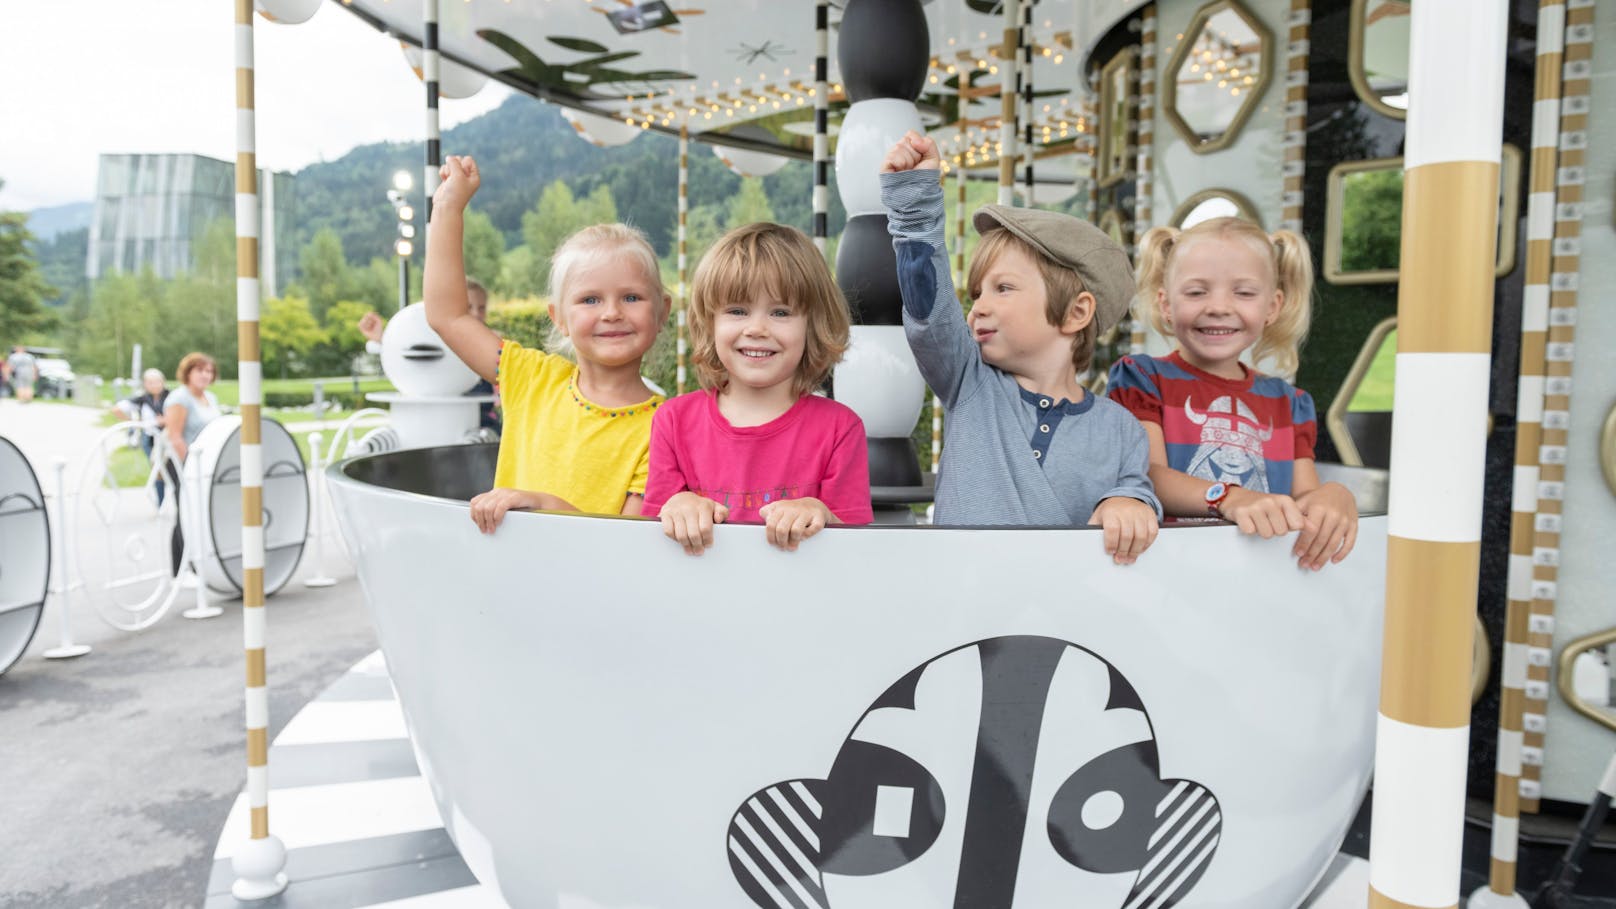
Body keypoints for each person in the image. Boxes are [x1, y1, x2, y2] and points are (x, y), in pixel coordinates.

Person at [879, 133, 1161, 564]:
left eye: (1003, 289)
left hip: (1056, 622)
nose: (977, 310)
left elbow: (1135, 488)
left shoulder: (1121, 431)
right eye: (976, 295)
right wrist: (915, 206)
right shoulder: (968, 381)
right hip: (961, 613)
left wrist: (1127, 504)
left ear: (1076, 313)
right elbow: (929, 308)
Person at [424, 154, 668, 533]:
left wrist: (543, 504)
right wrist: (447, 208)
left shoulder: (666, 426)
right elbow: (448, 316)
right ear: (559, 318)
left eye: (631, 297)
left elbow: (626, 543)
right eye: (590, 299)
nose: (611, 313)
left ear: (662, 311)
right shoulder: (531, 377)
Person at [1106, 217, 1358, 570]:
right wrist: (1228, 497)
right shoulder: (1142, 378)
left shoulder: (1290, 403)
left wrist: (1335, 496)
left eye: (1244, 292)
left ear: (1272, 306)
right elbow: (1147, 475)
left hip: (1260, 574)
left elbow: (1304, 495)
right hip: (1167, 570)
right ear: (1166, 303)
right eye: (1196, 292)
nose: (1219, 307)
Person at [643, 223, 872, 555]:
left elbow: (859, 554)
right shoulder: (672, 422)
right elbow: (649, 546)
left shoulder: (840, 429)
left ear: (814, 325)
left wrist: (821, 516)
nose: (756, 329)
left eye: (780, 312)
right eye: (737, 311)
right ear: (710, 323)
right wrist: (677, 505)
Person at [360, 278, 502, 434]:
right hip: (433, 420)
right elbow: (412, 350)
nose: (476, 313)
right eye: (468, 307)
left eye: (481, 308)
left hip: (479, 421)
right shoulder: (437, 337)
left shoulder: (492, 341)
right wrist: (382, 339)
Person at [165, 353, 222, 573]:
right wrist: (190, 464)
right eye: (200, 370)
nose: (205, 375)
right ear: (188, 372)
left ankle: (200, 564)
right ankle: (179, 570)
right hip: (183, 463)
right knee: (184, 514)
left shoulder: (211, 398)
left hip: (206, 465)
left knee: (201, 514)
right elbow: (175, 436)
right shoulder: (180, 398)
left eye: (209, 371)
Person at [116, 369, 170, 506]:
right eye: (150, 382)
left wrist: (165, 420)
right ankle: (160, 502)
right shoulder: (143, 399)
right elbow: (117, 409)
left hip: (167, 439)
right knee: (156, 470)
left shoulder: (170, 397)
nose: (155, 385)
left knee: (168, 469)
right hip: (149, 438)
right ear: (145, 384)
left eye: (157, 381)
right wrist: (134, 423)